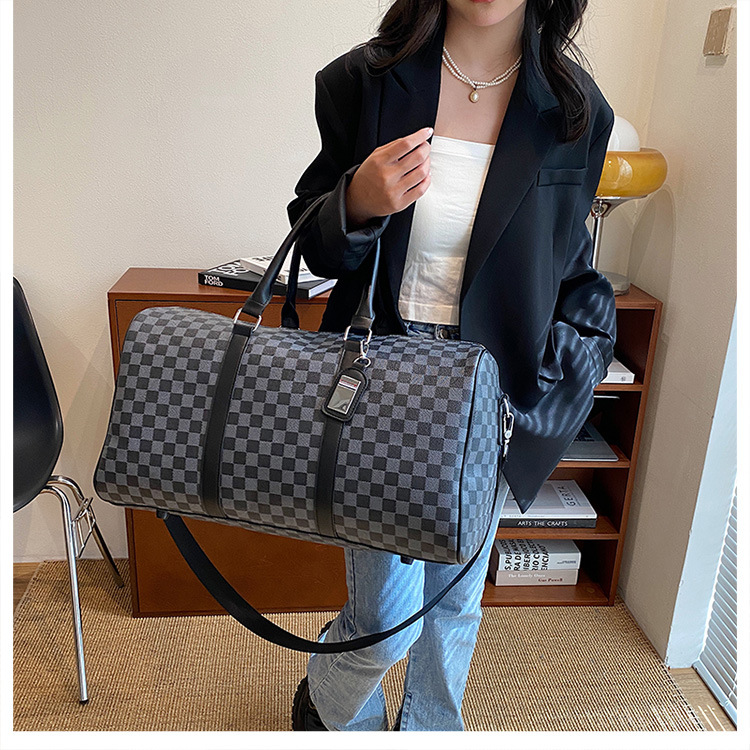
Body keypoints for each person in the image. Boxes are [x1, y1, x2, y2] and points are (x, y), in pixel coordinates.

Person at [287, 0, 616, 732]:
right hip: (382, 378)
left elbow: (570, 267)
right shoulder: (363, 81)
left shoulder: (576, 112)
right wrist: (356, 201)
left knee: (455, 604)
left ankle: (432, 730)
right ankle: (333, 709)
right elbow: (314, 242)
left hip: (487, 393)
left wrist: (559, 383)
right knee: (384, 619)